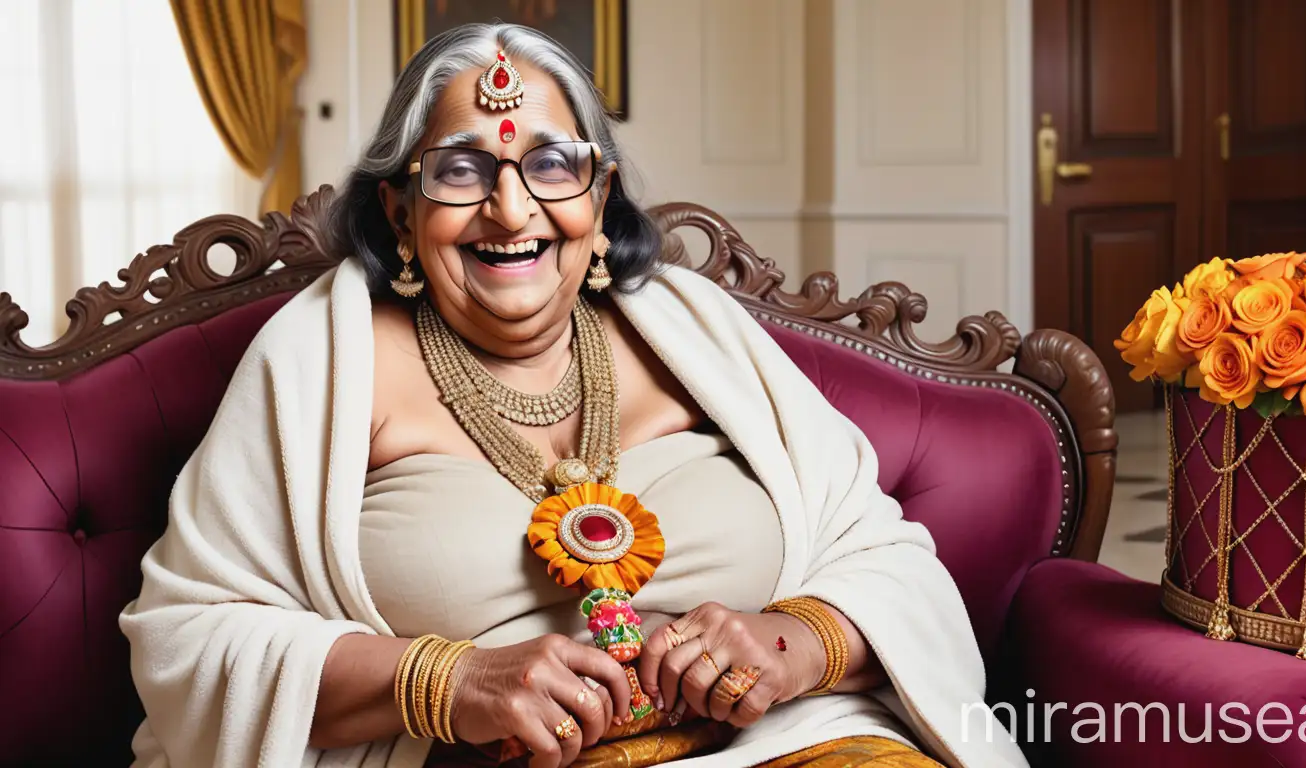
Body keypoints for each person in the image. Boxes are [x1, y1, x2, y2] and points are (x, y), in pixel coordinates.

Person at [120, 23, 1022, 768]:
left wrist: (792, 644)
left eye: (552, 165)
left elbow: (891, 557)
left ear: (600, 193)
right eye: (460, 171)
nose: (512, 210)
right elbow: (188, 637)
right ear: (400, 210)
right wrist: (445, 683)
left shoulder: (691, 327)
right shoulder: (322, 357)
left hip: (801, 743)